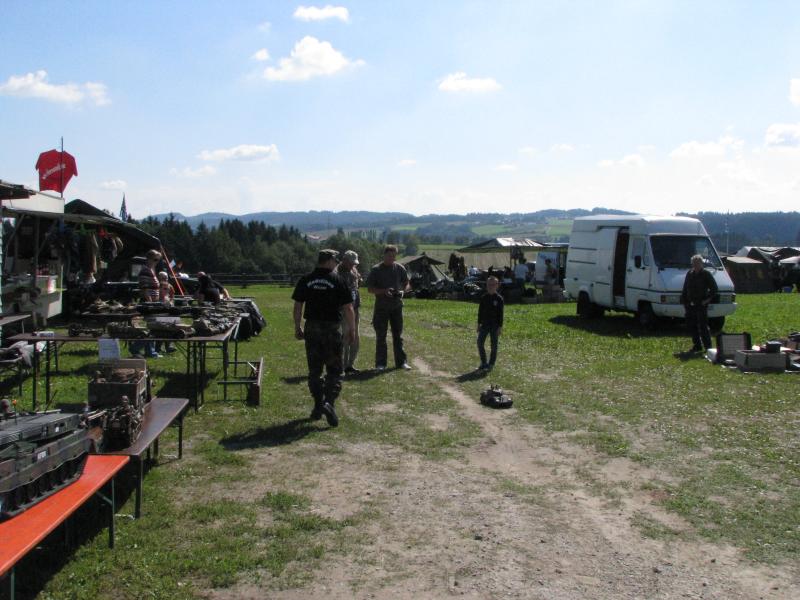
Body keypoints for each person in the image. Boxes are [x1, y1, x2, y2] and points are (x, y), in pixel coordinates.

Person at [292, 249, 355, 427]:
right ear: (328, 261)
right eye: (335, 260)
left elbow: (298, 305)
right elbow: (348, 308)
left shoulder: (306, 279)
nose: (336, 264)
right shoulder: (338, 280)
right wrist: (352, 329)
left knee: (314, 370)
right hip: (332, 328)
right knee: (334, 370)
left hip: (312, 328)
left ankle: (318, 404)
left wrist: (297, 326)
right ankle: (329, 403)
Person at [366, 244, 411, 371]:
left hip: (397, 307)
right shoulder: (376, 270)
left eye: (394, 256)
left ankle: (401, 362)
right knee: (381, 336)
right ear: (384, 255)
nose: (391, 258)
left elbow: (407, 284)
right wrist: (384, 291)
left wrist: (402, 291)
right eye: (389, 255)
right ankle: (381, 364)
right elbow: (370, 289)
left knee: (398, 335)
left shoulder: (400, 268)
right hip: (381, 308)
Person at [681, 254, 718, 353]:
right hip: (690, 304)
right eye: (694, 263)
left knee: (703, 326)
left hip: (701, 304)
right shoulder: (689, 274)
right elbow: (685, 288)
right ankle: (697, 345)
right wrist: (684, 302)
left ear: (701, 263)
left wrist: (707, 300)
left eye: (698, 263)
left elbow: (714, 289)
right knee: (692, 325)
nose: (696, 265)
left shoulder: (706, 274)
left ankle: (708, 347)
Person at [132, 249, 161, 358]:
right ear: (148, 259)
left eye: (158, 260)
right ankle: (135, 348)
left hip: (153, 302)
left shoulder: (151, 270)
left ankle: (150, 351)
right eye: (155, 259)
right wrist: (150, 303)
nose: (156, 262)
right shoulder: (145, 271)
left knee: (151, 327)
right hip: (148, 303)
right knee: (153, 327)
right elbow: (144, 288)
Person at [337, 250, 361, 374]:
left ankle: (350, 365)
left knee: (355, 338)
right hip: (344, 310)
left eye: (354, 263)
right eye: (351, 263)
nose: (353, 265)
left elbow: (356, 284)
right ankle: (342, 365)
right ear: (344, 260)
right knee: (345, 337)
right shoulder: (337, 272)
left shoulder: (353, 270)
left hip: (355, 308)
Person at [477, 276, 504, 370]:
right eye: (489, 284)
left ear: (497, 285)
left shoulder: (499, 299)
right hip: (484, 324)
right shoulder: (484, 297)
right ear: (486, 285)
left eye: (493, 284)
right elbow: (480, 312)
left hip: (495, 325)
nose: (491, 286)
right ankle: (484, 362)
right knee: (480, 343)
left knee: (494, 345)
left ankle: (491, 364)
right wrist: (478, 324)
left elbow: (501, 314)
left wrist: (500, 327)